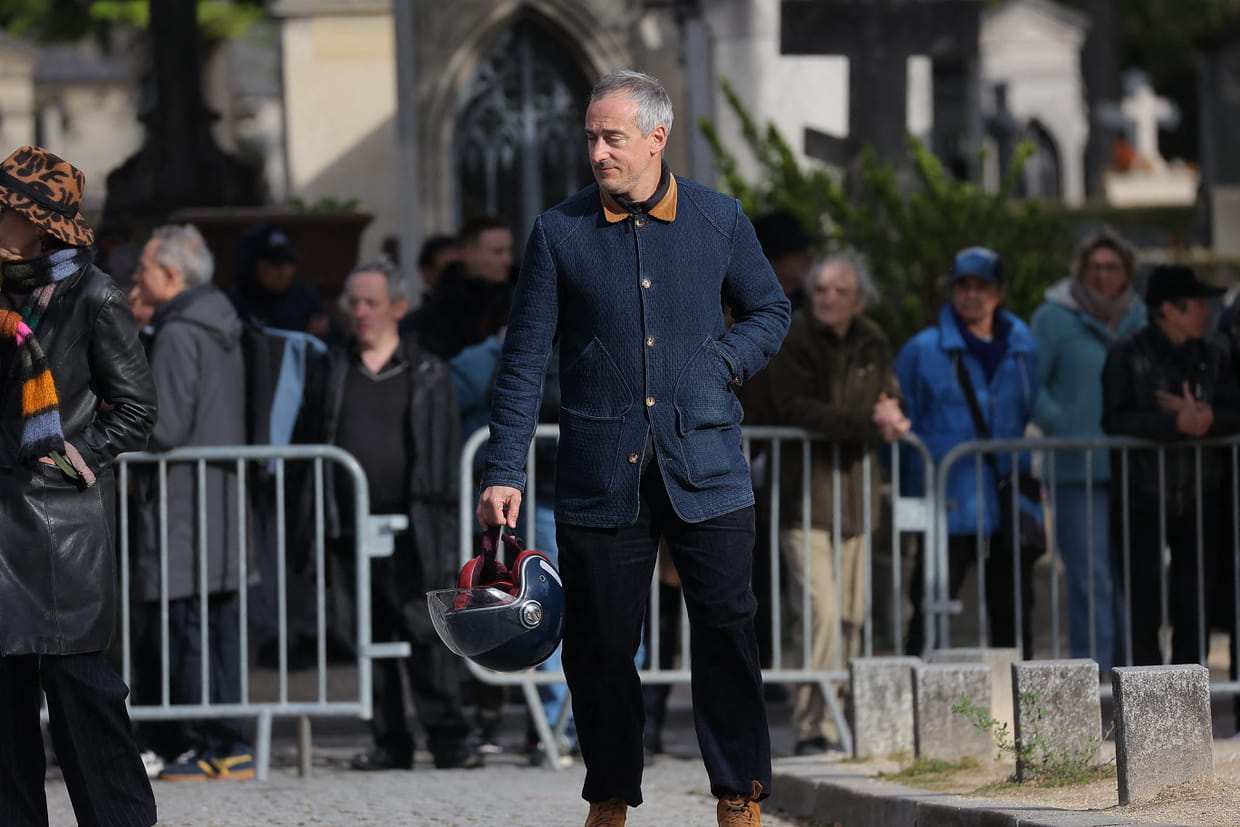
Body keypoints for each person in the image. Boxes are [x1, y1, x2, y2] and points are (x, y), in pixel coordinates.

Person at [476, 70, 790, 826]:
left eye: (611, 137)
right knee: (600, 645)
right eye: (590, 137)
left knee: (727, 628)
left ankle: (739, 795)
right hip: (598, 472)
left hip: (707, 466)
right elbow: (523, 360)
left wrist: (722, 362)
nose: (597, 152)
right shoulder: (559, 232)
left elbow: (770, 310)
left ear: (657, 137)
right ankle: (609, 796)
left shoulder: (719, 218)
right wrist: (503, 469)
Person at [0, 145, 158, 825]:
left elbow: (137, 410)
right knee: (4, 721)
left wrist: (70, 459)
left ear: (40, 224)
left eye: (3, 209)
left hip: (62, 531)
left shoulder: (93, 294)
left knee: (84, 701)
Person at [304, 259, 481, 771]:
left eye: (371, 303)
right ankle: (389, 740)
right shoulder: (331, 368)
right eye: (353, 302)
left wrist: (448, 526)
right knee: (367, 631)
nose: (360, 312)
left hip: (418, 526)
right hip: (349, 527)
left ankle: (449, 738)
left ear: (399, 308)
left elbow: (445, 455)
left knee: (427, 631)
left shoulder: (429, 373)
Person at [765, 254, 908, 755]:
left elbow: (888, 396)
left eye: (838, 290)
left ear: (859, 299)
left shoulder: (872, 338)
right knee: (819, 614)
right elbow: (797, 408)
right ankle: (812, 725)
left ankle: (839, 717)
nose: (827, 298)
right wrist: (870, 425)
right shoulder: (794, 335)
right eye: (820, 289)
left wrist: (891, 413)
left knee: (851, 616)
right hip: (805, 499)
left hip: (856, 498)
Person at [129, 223, 256, 780]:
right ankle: (227, 743)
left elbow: (166, 427)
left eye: (144, 269)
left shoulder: (180, 332)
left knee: (190, 628)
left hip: (184, 504)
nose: (137, 278)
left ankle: (212, 745)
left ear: (172, 274)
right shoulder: (221, 322)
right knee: (216, 626)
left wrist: (119, 416)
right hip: (216, 499)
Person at [896, 246, 1040, 657]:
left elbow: (1028, 408)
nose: (972, 295)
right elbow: (901, 424)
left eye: (982, 286)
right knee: (930, 606)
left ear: (1000, 292)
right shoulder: (922, 351)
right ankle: (916, 686)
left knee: (1014, 610)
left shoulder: (1023, 347)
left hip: (1009, 499)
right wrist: (913, 495)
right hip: (947, 500)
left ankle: (1017, 694)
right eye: (963, 286)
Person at [1102, 264, 1240, 666]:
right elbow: (1114, 420)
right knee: (1142, 603)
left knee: (1194, 601)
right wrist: (1174, 424)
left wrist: (1209, 419)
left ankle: (1189, 690)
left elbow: (1234, 410)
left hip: (1200, 495)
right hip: (1141, 496)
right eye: (1197, 304)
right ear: (1169, 309)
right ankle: (1145, 693)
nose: (1207, 312)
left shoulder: (1214, 355)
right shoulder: (1126, 353)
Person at [1030, 228, 1145, 675]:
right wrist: (1061, 423)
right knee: (1088, 579)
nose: (1101, 275)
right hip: (1076, 468)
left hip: (1133, 468)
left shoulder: (1140, 315)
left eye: (1111, 267)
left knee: (1131, 579)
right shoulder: (1053, 317)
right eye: (1093, 267)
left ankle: (1135, 679)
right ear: (1080, 270)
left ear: (1126, 272)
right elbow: (1031, 383)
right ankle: (1096, 682)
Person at [407, 216, 514, 360]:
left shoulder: (518, 301)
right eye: (497, 252)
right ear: (468, 254)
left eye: (509, 250)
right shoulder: (435, 316)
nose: (507, 260)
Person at [228, 221, 342, 344]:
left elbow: (337, 337)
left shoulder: (305, 296)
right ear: (251, 265)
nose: (285, 271)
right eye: (276, 263)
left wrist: (321, 335)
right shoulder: (235, 304)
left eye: (290, 262)